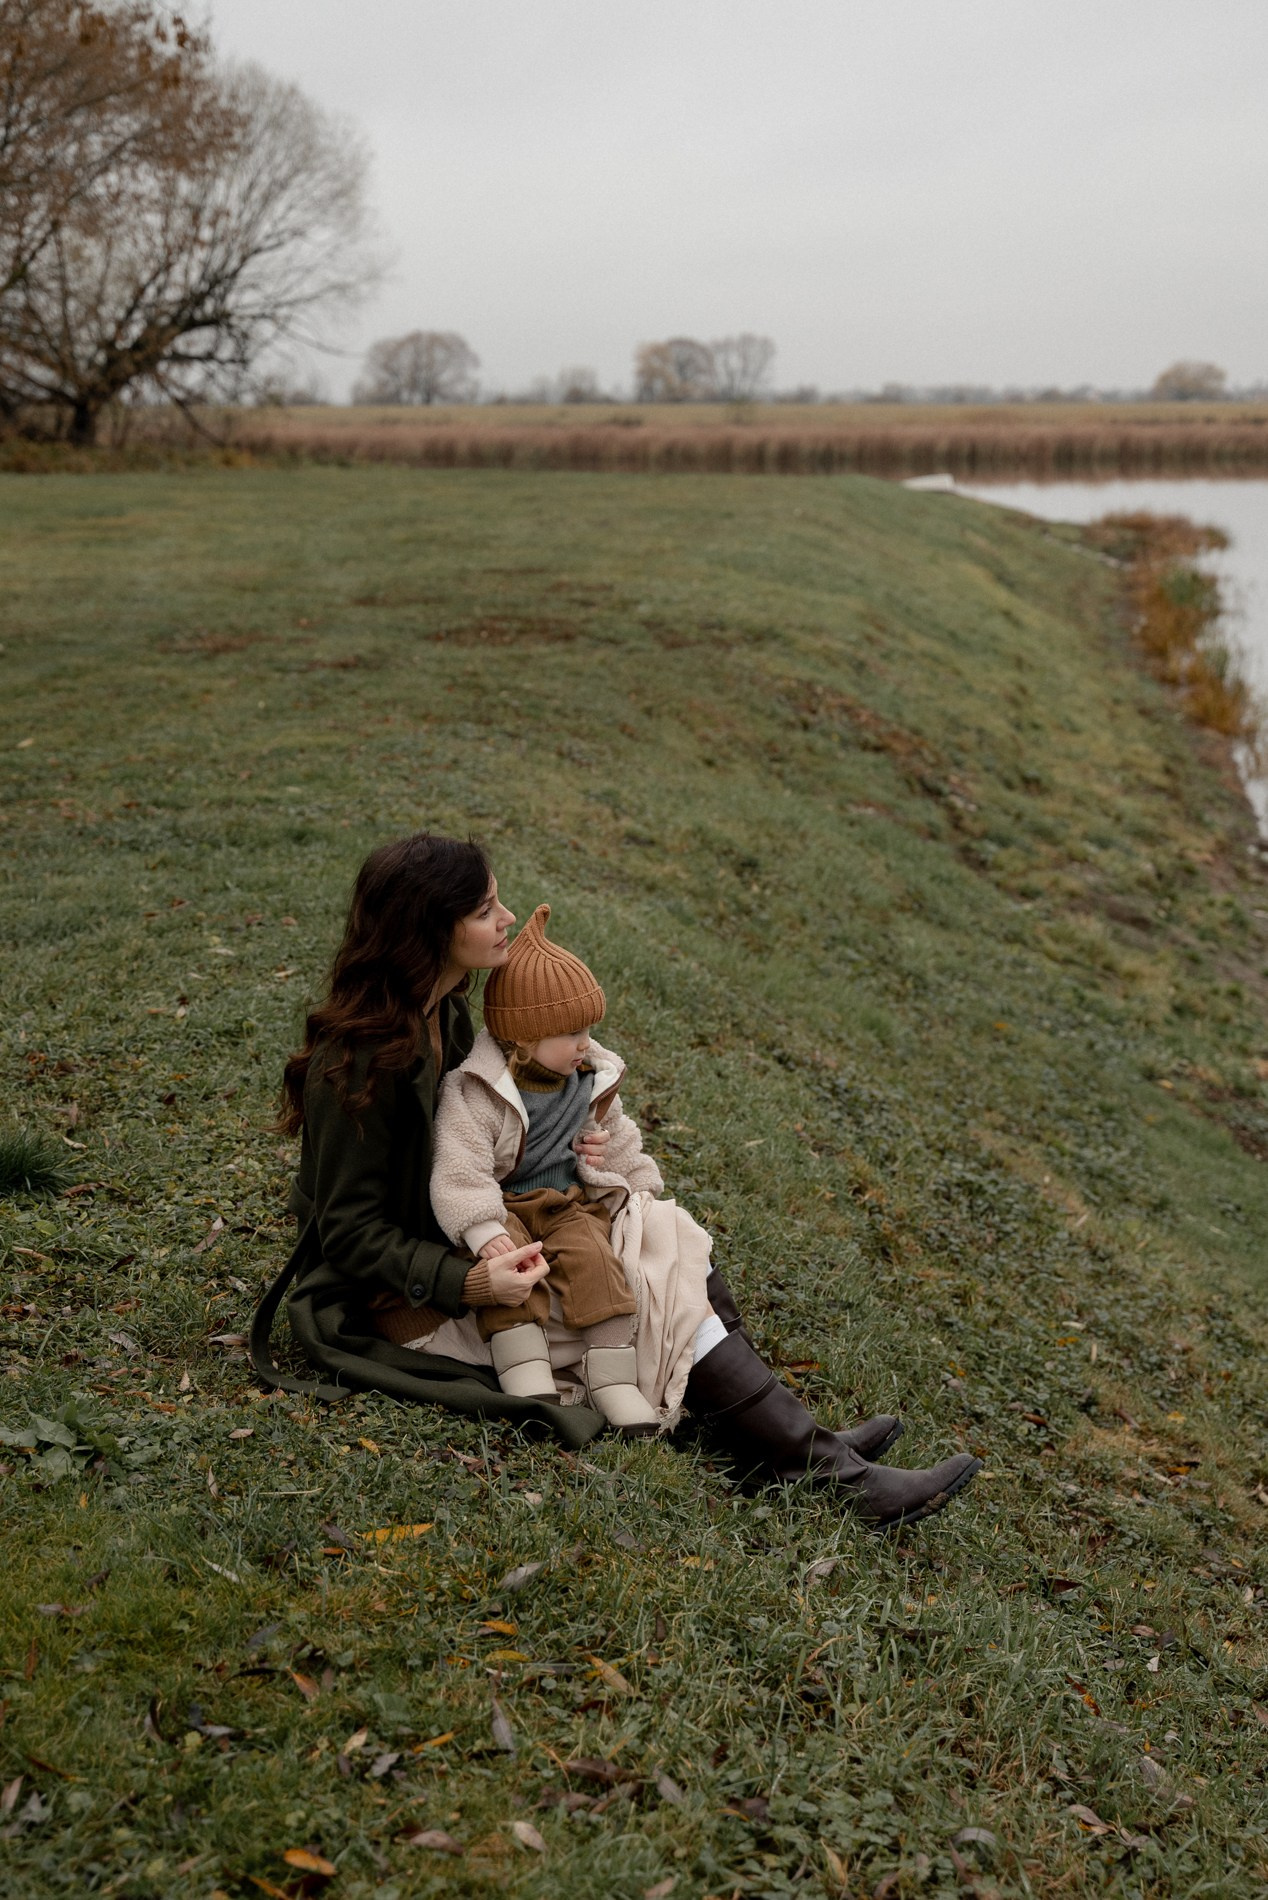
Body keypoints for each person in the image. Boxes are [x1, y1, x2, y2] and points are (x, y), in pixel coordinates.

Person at [252, 830, 981, 1530]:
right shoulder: (359, 1062)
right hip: (412, 1298)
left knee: (660, 1235)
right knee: (653, 1289)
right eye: (484, 909)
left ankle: (784, 1441)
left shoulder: (443, 1009)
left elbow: (479, 1141)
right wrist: (471, 1282)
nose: (507, 918)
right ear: (429, 928)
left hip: (491, 1237)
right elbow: (346, 1235)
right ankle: (823, 1471)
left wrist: (564, 1148)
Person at [431, 903, 661, 1433]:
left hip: (563, 1203)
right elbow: (460, 1165)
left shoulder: (588, 1079)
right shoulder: (478, 1091)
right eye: (571, 1032)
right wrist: (483, 1229)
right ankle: (525, 1370)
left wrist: (642, 1189)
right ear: (523, 1036)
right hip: (504, 1204)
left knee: (598, 1262)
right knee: (512, 1269)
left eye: (589, 1028)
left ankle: (613, 1380)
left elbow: (617, 1137)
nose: (585, 1042)